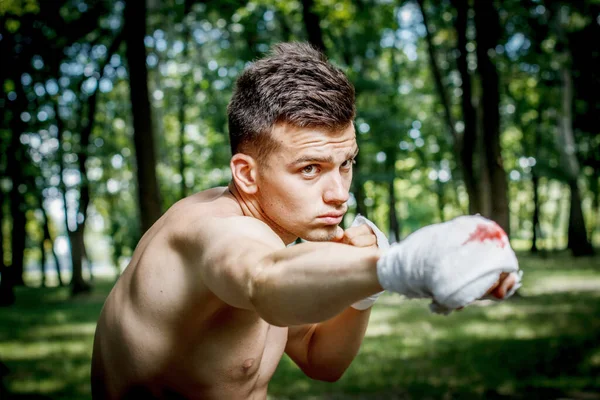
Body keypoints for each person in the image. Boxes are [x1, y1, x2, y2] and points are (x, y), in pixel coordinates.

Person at [91, 42, 518, 399]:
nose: (339, 193)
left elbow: (321, 358)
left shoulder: (280, 247)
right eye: (310, 169)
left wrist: (363, 292)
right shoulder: (213, 229)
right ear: (246, 174)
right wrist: (399, 267)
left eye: (346, 163)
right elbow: (263, 278)